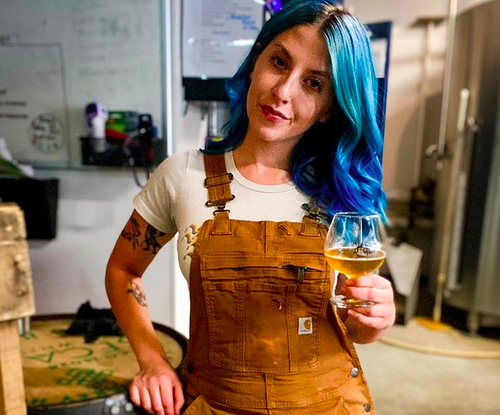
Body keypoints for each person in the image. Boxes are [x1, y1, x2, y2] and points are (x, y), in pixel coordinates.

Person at [105, 1, 396, 414]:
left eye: (313, 83)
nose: (283, 92)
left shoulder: (343, 194)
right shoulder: (182, 176)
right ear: (257, 59)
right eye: (279, 62)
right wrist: (152, 359)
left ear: (330, 106)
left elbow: (353, 325)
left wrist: (375, 320)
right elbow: (123, 269)